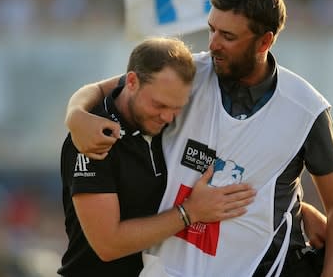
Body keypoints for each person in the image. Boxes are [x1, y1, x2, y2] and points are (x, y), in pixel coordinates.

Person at [64, 0, 333, 277]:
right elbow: (104, 90)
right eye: (211, 29)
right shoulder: (186, 74)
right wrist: (76, 117)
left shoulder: (306, 109)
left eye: (227, 36)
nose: (213, 43)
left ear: (264, 42)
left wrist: (331, 270)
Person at [58, 37, 257, 277]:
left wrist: (296, 210)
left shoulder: (163, 123)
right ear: (131, 82)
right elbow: (108, 245)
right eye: (159, 105)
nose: (168, 117)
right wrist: (189, 212)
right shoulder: (93, 138)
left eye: (177, 108)